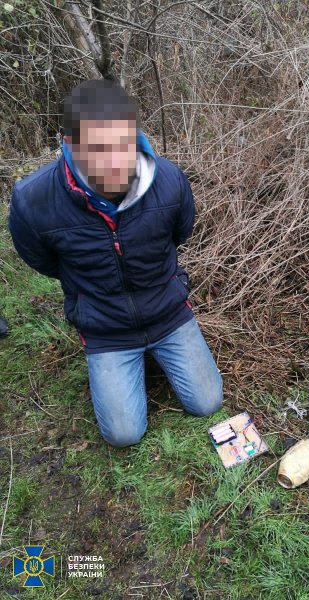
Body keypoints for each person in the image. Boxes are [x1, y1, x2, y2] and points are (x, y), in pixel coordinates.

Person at [8, 79, 223, 447]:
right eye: (99, 149)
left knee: (208, 402)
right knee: (124, 434)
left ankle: (161, 351)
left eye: (123, 144)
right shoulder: (33, 200)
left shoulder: (169, 181)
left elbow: (180, 232)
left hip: (167, 313)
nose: (115, 161)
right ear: (71, 145)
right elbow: (42, 260)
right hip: (105, 328)